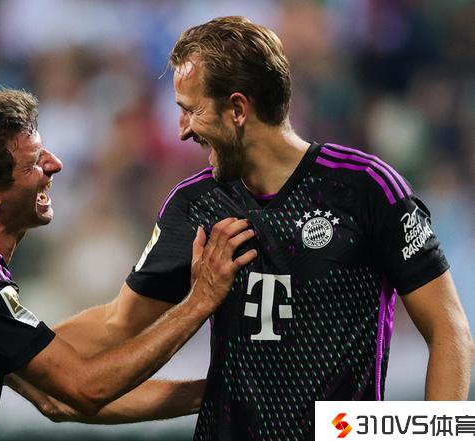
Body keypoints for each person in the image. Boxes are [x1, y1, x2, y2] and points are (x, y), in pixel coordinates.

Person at [34, 16, 474, 440]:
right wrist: (11, 343)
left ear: (237, 109)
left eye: (191, 110)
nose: (182, 130)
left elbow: (449, 330)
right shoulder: (195, 205)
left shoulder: (366, 188)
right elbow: (117, 322)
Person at [0, 85, 258, 441]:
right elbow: (84, 389)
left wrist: (215, 393)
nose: (54, 165)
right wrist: (200, 300)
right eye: (34, 162)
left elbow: (54, 398)